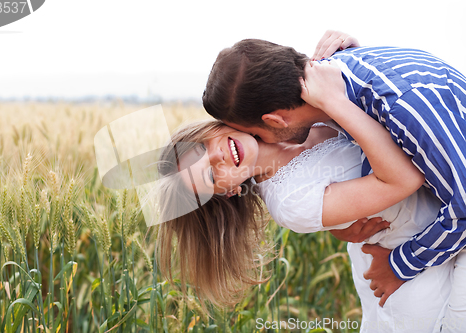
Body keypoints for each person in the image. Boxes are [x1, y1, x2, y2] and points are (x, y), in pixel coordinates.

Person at [156, 61, 460, 332]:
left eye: (202, 149)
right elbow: (403, 178)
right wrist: (334, 100)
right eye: (210, 176)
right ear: (229, 191)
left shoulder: (286, 117)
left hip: (448, 224)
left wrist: (345, 50)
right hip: (411, 269)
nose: (217, 157)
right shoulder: (290, 202)